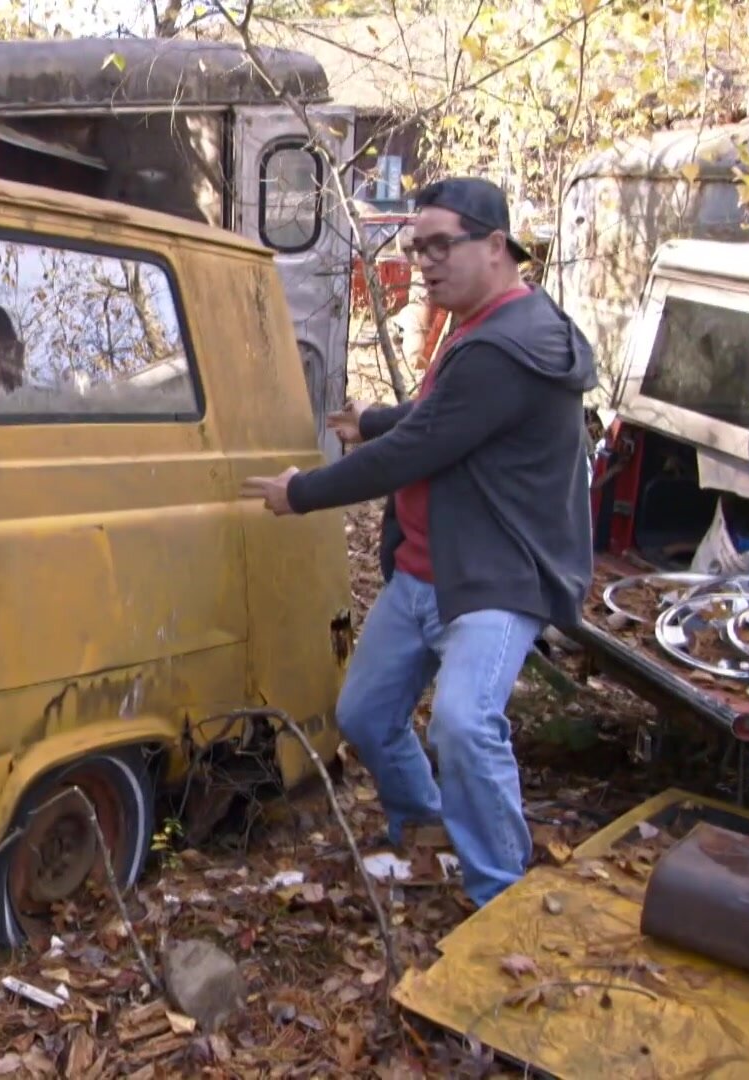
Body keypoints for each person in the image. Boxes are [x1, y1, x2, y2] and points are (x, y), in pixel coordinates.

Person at [239, 177, 597, 907]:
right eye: (415, 247)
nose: (426, 262)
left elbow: (425, 446)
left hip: (491, 579)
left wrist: (300, 493)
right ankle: (424, 829)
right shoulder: (481, 326)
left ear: (497, 246)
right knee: (367, 714)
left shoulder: (510, 343)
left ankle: (500, 897)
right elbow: (448, 416)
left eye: (441, 244)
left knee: (465, 725)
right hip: (425, 572)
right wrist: (373, 420)